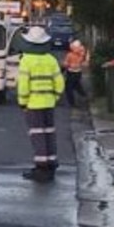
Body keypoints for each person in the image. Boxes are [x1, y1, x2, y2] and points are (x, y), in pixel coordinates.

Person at [16, 25, 64, 182]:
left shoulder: (26, 60)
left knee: (38, 135)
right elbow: (59, 82)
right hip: (49, 103)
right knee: (49, 133)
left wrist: (23, 102)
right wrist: (55, 97)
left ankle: (41, 168)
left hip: (33, 104)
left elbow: (23, 85)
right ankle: (51, 162)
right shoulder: (51, 60)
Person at [62, 39, 90, 108]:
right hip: (78, 72)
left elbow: (66, 64)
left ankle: (72, 103)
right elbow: (85, 63)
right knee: (77, 85)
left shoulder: (70, 55)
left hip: (71, 72)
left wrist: (62, 69)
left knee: (69, 88)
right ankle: (84, 96)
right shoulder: (81, 54)